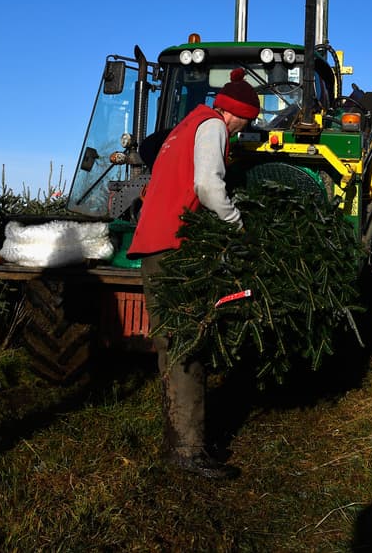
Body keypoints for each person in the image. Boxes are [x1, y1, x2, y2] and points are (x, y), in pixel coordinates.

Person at [127, 68, 260, 480]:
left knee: (171, 343)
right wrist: (238, 226)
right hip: (175, 247)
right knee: (188, 342)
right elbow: (207, 186)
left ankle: (176, 442)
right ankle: (188, 451)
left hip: (153, 243)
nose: (241, 132)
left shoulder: (184, 126)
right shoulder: (212, 127)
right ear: (237, 114)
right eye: (247, 123)